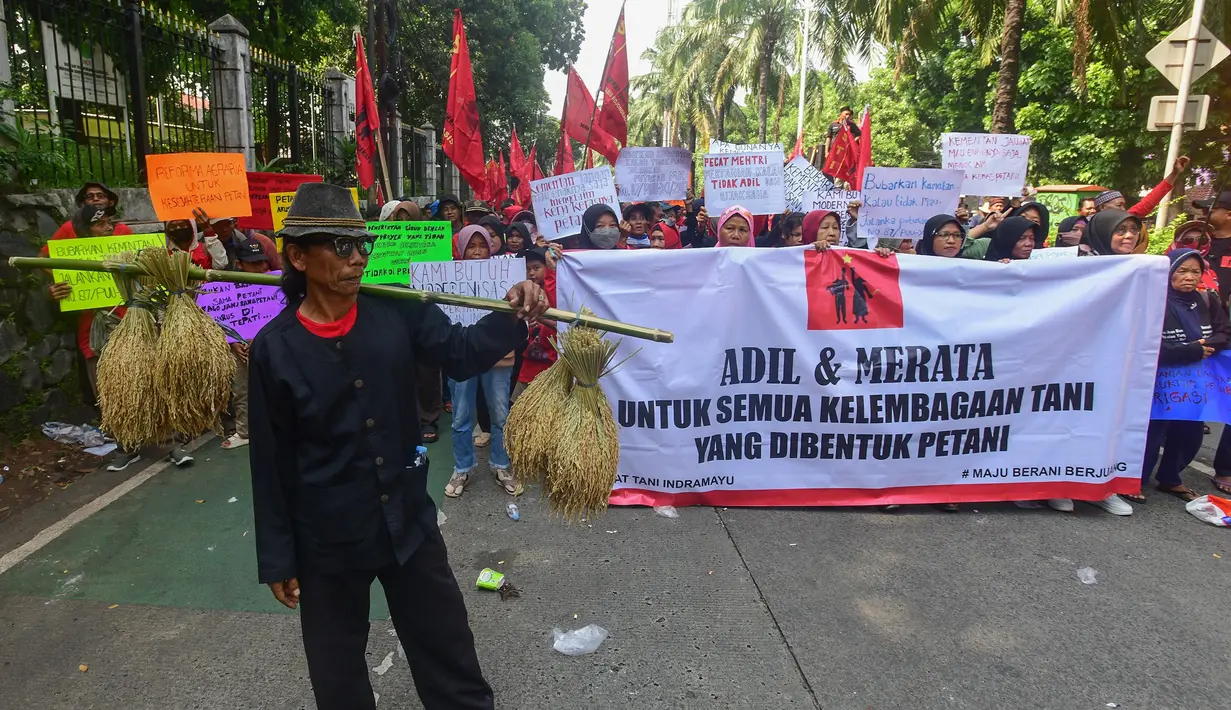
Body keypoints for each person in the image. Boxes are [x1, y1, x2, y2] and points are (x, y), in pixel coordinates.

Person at [249, 183, 547, 709]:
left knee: (448, 648)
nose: (359, 256)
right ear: (297, 256)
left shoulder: (395, 310)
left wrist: (513, 313)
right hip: (328, 539)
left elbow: (458, 352)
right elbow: (270, 461)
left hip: (407, 520)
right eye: (342, 248)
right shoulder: (275, 350)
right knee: (337, 674)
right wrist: (278, 556)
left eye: (363, 244)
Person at [1136, 248, 1230, 504]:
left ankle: (1171, 477)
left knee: (1190, 430)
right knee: (1153, 431)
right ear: (1168, 273)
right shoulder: (1152, 300)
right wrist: (1190, 349)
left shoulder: (1207, 299)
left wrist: (1206, 346)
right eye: (1182, 271)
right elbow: (1146, 343)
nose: (1190, 277)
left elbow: (1224, 333)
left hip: (1195, 379)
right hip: (1160, 377)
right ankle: (1136, 480)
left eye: (1196, 271)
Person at [444, 225, 520, 499]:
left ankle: (501, 465)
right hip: (462, 354)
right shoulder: (447, 276)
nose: (477, 252)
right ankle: (462, 467)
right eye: (471, 246)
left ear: (491, 247)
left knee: (500, 414)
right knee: (461, 416)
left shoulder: (505, 276)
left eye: (483, 245)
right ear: (461, 249)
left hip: (497, 357)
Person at [221, 239, 272, 450]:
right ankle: (245, 431)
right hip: (239, 348)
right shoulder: (225, 286)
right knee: (241, 389)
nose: (259, 267)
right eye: (253, 263)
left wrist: (261, 337)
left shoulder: (274, 283)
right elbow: (220, 316)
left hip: (269, 344)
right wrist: (233, 342)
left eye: (261, 262)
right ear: (240, 264)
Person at [512, 247, 557, 402]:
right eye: (527, 269)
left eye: (536, 268)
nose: (531, 273)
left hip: (552, 366)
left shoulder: (555, 292)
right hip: (529, 366)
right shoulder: (522, 295)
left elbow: (560, 323)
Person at [1093, 156, 1191, 217]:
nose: (1123, 209)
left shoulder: (1126, 218)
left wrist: (1175, 173)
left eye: (1123, 205)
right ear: (1102, 207)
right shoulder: (1085, 226)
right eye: (1119, 205)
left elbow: (1149, 201)